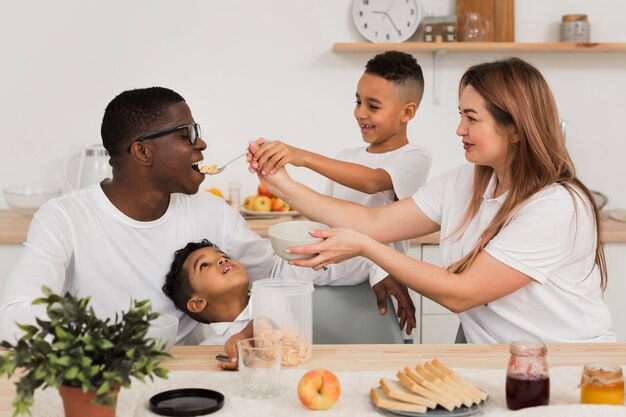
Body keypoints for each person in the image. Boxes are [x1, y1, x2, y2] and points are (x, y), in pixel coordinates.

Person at [0, 86, 416, 344]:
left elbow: (284, 269)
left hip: (187, 381)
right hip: (104, 378)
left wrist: (376, 265)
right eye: (187, 135)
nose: (202, 146)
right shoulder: (65, 219)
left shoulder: (207, 211)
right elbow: (17, 315)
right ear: (143, 152)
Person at [249, 57, 616, 343]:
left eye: (471, 118)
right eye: (460, 115)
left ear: (516, 128)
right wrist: (280, 184)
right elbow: (374, 222)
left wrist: (365, 247)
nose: (459, 130)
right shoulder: (465, 182)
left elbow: (462, 293)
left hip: (565, 363)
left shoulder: (557, 206)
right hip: (494, 355)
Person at [250, 51, 431, 341]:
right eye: (358, 101)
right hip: (339, 262)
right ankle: (266, 337)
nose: (361, 113)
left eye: (373, 106)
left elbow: (373, 182)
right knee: (274, 265)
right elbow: (323, 214)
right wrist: (278, 181)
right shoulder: (345, 157)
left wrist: (301, 156)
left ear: (407, 112)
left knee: (275, 269)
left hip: (376, 265)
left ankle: (261, 334)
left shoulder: (414, 157)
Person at [163, 239, 253, 370]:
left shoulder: (268, 294)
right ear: (198, 303)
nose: (223, 260)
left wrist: (244, 336)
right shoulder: (209, 350)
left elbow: (268, 318)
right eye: (204, 265)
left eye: (225, 256)